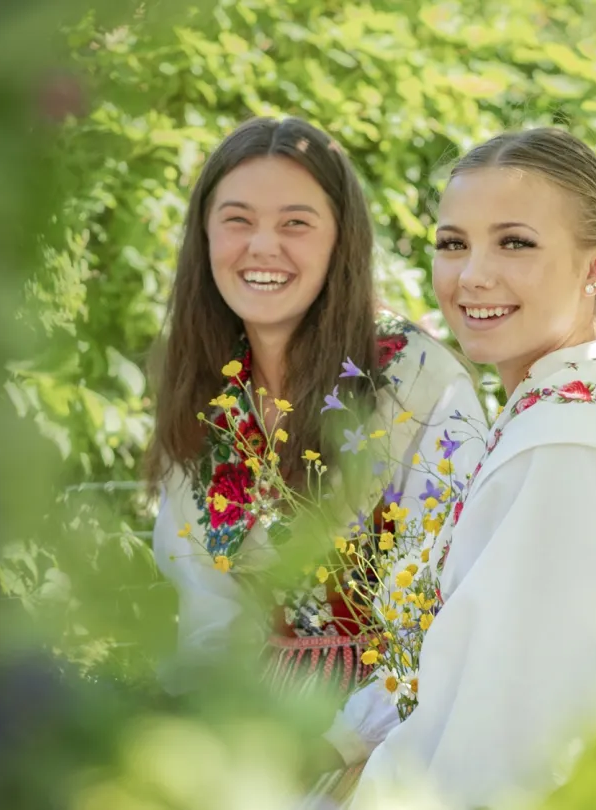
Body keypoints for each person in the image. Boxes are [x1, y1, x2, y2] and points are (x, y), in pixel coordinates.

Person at [347, 128, 596, 810]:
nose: (472, 275)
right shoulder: (581, 401)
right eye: (453, 243)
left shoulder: (565, 452)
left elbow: (502, 752)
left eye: (514, 242)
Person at [145, 117, 485, 719]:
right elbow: (209, 618)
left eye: (295, 223)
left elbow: (448, 614)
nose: (262, 246)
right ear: (204, 235)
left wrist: (340, 749)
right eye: (237, 220)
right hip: (249, 716)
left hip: (392, 720)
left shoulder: (422, 385)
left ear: (340, 240)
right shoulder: (203, 385)